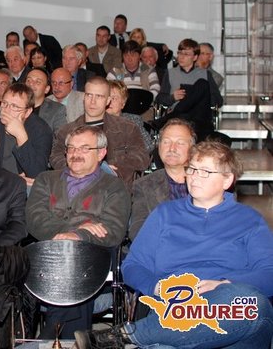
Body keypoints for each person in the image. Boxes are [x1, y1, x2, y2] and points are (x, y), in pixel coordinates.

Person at [76, 141, 273, 348]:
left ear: (227, 180)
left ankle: (127, 335)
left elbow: (269, 274)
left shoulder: (249, 220)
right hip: (175, 308)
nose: (195, 176)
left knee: (251, 304)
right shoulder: (165, 214)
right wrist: (159, 287)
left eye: (205, 171)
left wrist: (224, 284)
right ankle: (152, 333)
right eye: (192, 169)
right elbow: (133, 265)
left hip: (228, 316)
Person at [27, 125, 131, 338]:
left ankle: (50, 339)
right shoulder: (46, 179)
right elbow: (35, 220)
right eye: (71, 148)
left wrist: (78, 237)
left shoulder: (114, 187)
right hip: (48, 252)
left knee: (76, 266)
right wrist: (75, 230)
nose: (76, 153)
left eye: (85, 148)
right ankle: (68, 340)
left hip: (94, 256)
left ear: (101, 153)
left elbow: (113, 230)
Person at [50, 76, 150, 188]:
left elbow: (142, 158)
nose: (93, 102)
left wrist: (113, 169)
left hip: (117, 188)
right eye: (89, 95)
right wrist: (82, 169)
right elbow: (55, 157)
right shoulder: (67, 131)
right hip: (79, 188)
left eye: (99, 96)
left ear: (108, 101)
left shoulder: (127, 128)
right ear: (84, 97)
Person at [128, 118, 195, 240]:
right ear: (158, 146)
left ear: (192, 148)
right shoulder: (144, 185)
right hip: (161, 247)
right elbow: (137, 229)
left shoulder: (206, 181)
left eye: (180, 143)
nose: (172, 148)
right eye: (166, 142)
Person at [0, 83, 53, 182]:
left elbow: (37, 173)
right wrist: (11, 180)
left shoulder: (41, 129)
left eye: (14, 106)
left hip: (25, 187)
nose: (6, 110)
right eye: (4, 103)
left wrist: (21, 136)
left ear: (27, 112)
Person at [155, 38, 223, 141]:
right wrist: (173, 97)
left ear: (195, 57)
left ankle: (169, 117)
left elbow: (218, 101)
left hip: (199, 118)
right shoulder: (170, 73)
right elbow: (159, 99)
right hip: (179, 119)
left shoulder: (205, 74)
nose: (181, 57)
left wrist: (199, 96)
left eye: (186, 54)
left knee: (202, 84)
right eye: (179, 53)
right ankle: (176, 113)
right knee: (184, 114)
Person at [106, 80, 154, 153]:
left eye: (114, 98)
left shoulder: (133, 121)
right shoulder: (96, 120)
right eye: (107, 97)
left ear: (123, 104)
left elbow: (148, 146)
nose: (110, 101)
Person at [25, 67, 67, 132]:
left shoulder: (57, 110)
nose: (31, 84)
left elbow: (60, 136)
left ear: (46, 89)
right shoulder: (13, 105)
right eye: (28, 80)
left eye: (38, 82)